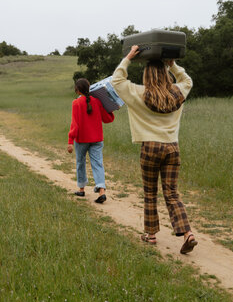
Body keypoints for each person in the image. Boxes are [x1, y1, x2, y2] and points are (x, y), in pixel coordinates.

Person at [111, 45, 197, 254]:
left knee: (150, 192)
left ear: (147, 75)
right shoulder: (177, 92)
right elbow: (187, 81)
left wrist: (128, 58)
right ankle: (187, 233)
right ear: (166, 73)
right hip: (172, 147)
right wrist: (173, 65)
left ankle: (150, 235)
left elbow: (117, 81)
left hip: (150, 147)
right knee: (172, 193)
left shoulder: (138, 92)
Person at [68, 78, 115, 203]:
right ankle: (101, 191)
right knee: (98, 163)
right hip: (97, 139)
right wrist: (112, 110)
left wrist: (70, 141)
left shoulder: (76, 103)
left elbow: (75, 125)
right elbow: (107, 119)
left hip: (82, 139)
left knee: (80, 163)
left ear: (77, 90)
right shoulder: (97, 101)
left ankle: (82, 190)